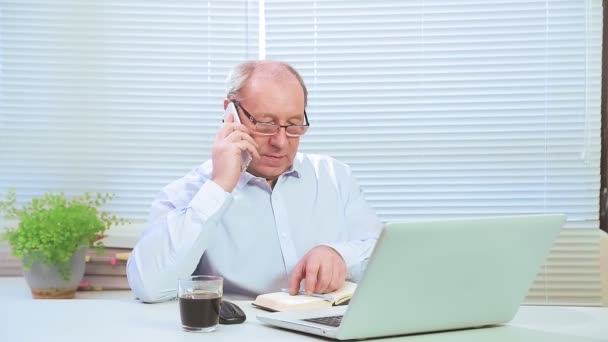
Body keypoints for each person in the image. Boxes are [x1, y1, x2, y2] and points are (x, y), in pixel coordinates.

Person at [127, 60, 382, 303]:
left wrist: (340, 255)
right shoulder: (188, 194)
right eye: (266, 124)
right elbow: (150, 287)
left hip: (326, 328)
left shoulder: (335, 177)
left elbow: (384, 254)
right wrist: (220, 186)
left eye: (293, 126)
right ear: (230, 113)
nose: (280, 142)